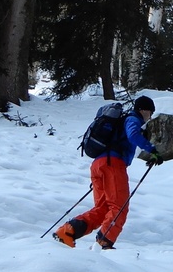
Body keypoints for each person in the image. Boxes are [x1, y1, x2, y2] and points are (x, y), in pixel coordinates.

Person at [54, 95, 163, 250]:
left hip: (98, 165)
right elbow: (133, 135)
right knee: (119, 206)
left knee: (103, 209)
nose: (150, 116)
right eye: (150, 112)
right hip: (113, 165)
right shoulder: (132, 119)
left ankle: (67, 232)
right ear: (143, 109)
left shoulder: (119, 122)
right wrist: (152, 150)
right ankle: (103, 244)